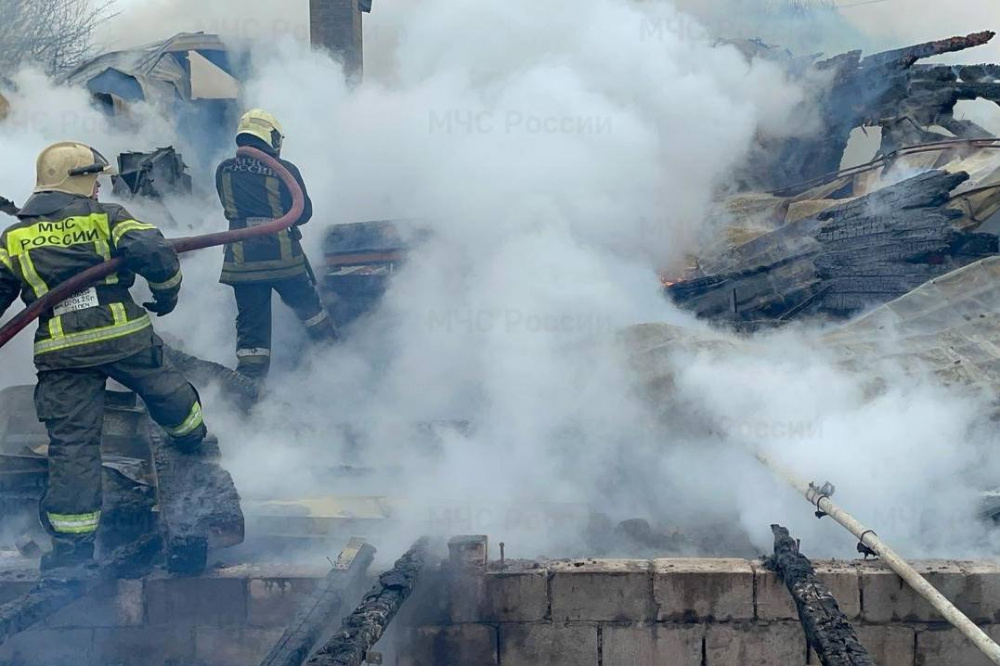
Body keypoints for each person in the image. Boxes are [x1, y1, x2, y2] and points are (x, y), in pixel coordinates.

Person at [0, 142, 207, 574]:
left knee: (72, 447)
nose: (98, 185)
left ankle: (72, 551)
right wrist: (167, 294)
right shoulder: (106, 216)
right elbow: (155, 253)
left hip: (62, 354)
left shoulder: (14, 236)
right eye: (93, 177)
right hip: (122, 336)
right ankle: (191, 435)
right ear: (76, 179)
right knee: (162, 385)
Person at [215, 109, 338, 384]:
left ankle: (249, 388)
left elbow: (228, 206)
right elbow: (303, 213)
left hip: (241, 261)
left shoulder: (223, 169)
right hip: (281, 258)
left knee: (252, 329)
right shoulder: (285, 170)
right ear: (270, 137)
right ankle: (334, 359)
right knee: (310, 310)